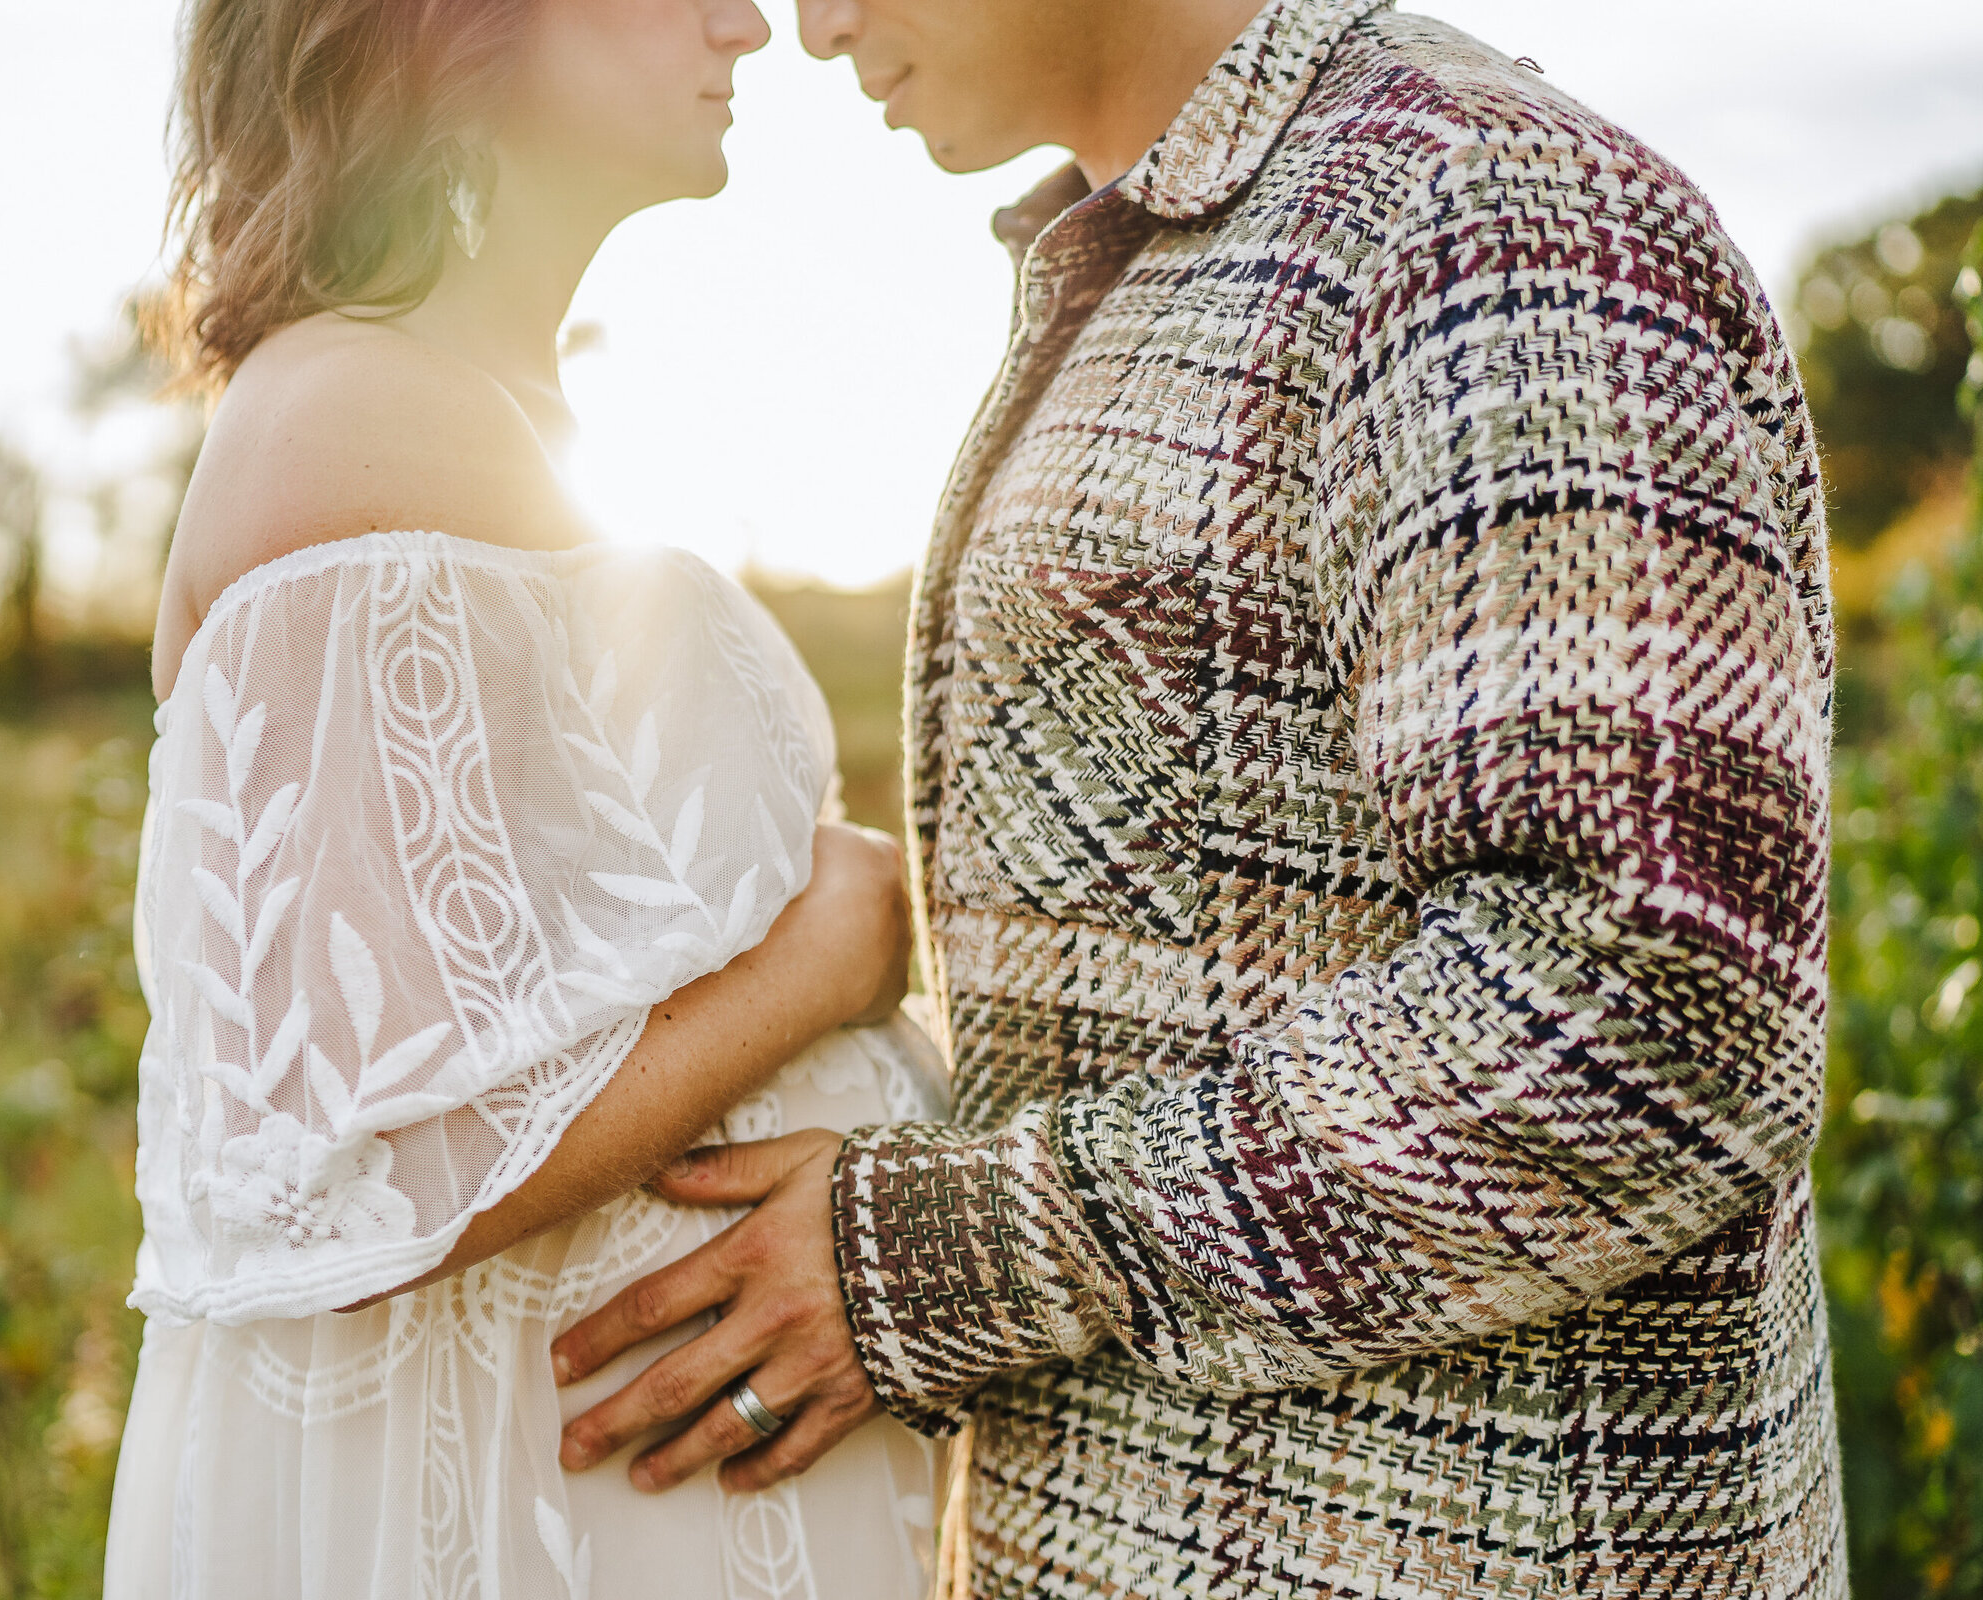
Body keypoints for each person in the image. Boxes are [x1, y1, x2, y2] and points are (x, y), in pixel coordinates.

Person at [554, 0, 1849, 1595]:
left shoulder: (1486, 215)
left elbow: (1649, 1015)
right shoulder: (1173, 257)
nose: (813, 28)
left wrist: (954, 1247)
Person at [101, 1, 947, 1595]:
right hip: (522, 1484)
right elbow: (342, 1158)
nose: (746, 21)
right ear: (448, 29)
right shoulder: (352, 409)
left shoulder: (477, 412)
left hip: (627, 1443)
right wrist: (842, 942)